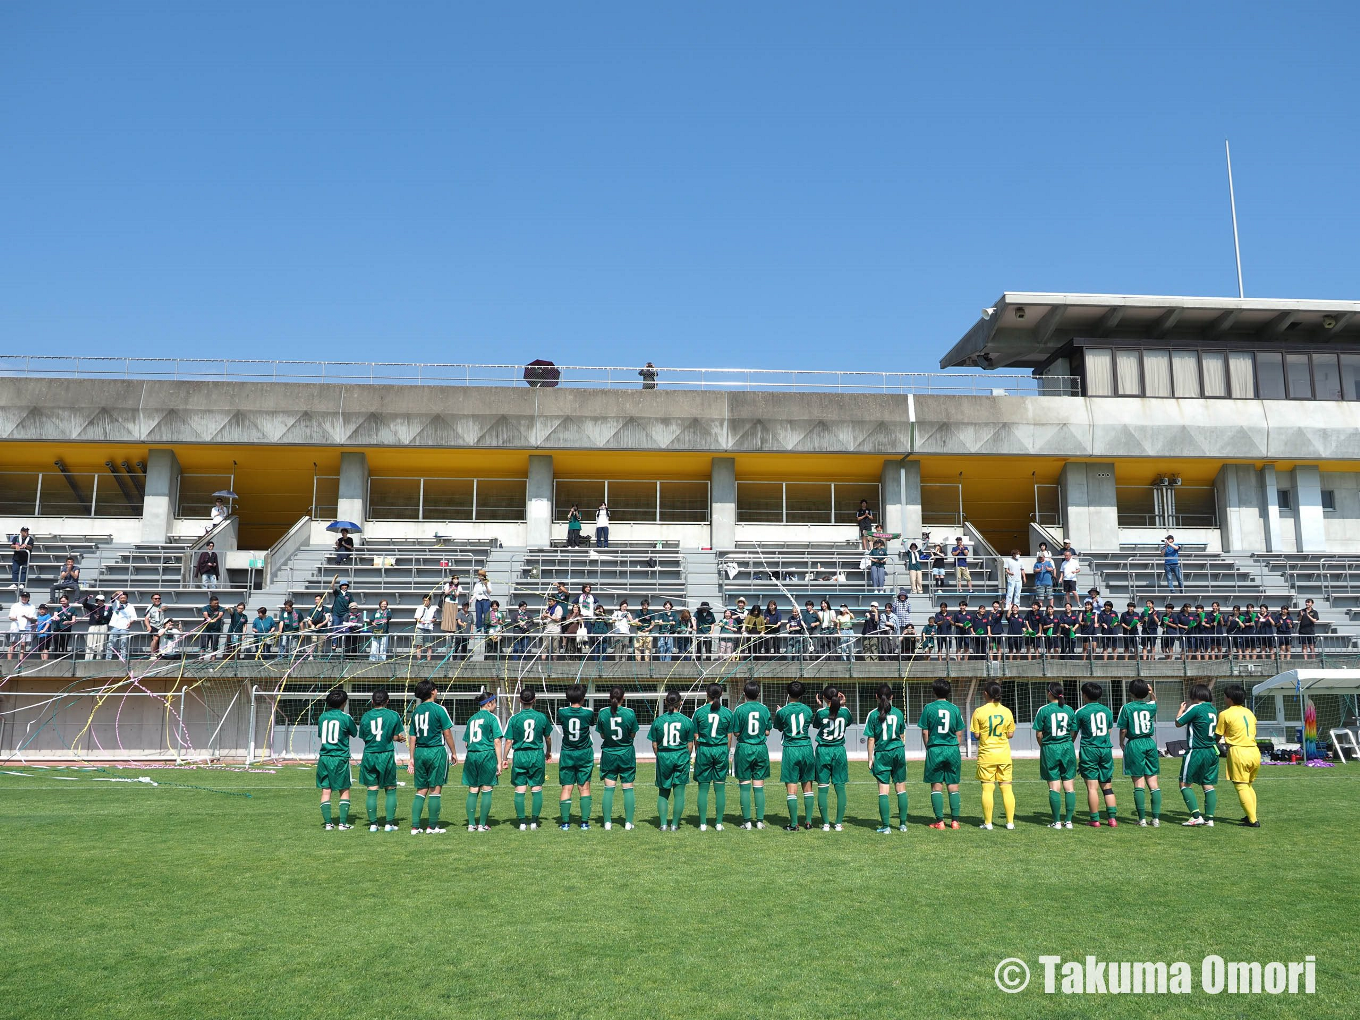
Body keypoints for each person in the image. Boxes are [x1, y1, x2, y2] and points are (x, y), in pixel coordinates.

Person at [408, 679, 457, 835]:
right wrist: (454, 752)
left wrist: (411, 757)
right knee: (435, 789)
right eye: (436, 689)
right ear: (432, 691)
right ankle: (432, 826)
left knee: (421, 789)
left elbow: (413, 736)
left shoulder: (416, 711)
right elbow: (447, 732)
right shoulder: (439, 709)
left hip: (420, 752)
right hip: (436, 751)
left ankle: (415, 826)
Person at [913, 678, 962, 829]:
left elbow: (924, 732)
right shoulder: (954, 709)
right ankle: (955, 821)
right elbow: (959, 733)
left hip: (935, 749)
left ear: (934, 692)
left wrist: (929, 747)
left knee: (936, 786)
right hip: (952, 749)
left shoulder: (929, 708)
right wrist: (954, 746)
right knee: (953, 785)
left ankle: (940, 822)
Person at [503, 689, 553, 830]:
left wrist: (504, 758)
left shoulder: (514, 718)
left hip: (520, 754)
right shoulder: (541, 717)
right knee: (536, 787)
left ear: (520, 701)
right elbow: (548, 737)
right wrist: (548, 751)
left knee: (520, 788)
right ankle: (534, 821)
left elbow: (508, 741)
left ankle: (522, 822)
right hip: (536, 754)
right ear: (534, 700)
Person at [970, 682, 1016, 830]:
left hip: (986, 755)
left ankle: (988, 823)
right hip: (1003, 754)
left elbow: (976, 734)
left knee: (987, 788)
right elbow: (1010, 734)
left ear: (985, 694)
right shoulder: (1007, 711)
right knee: (1006, 788)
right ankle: (1010, 823)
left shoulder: (979, 712)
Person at [358, 689, 405, 832]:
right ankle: (389, 824)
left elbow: (366, 737)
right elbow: (394, 735)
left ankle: (373, 824)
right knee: (390, 788)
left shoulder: (366, 716)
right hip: (386, 755)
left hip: (369, 755)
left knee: (372, 789)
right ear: (387, 701)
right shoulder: (393, 715)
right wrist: (398, 738)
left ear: (372, 701)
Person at [1116, 679, 1161, 827]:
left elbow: (1123, 729)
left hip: (1135, 744)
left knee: (1138, 783)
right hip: (1149, 742)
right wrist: (1152, 692)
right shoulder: (1150, 706)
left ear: (1131, 692)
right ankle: (1155, 819)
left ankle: (1142, 819)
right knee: (1153, 783)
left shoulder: (1127, 708)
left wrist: (1121, 743)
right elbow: (1154, 702)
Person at [863, 683, 908, 834]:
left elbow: (871, 739)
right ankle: (902, 824)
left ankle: (886, 826)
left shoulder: (873, 714)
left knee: (884, 790)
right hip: (898, 751)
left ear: (876, 697)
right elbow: (902, 735)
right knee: (900, 788)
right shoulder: (898, 713)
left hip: (882, 753)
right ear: (892, 697)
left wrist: (870, 758)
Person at [649, 690, 696, 831]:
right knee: (679, 793)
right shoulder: (687, 721)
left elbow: (654, 744)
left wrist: (660, 755)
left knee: (663, 792)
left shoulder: (658, 721)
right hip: (681, 756)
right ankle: (675, 825)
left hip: (664, 756)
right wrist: (685, 757)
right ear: (680, 703)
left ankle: (663, 824)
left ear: (665, 702)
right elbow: (690, 745)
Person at [692, 683, 736, 831]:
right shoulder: (727, 713)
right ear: (721, 694)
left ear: (707, 694)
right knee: (720, 789)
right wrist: (726, 751)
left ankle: (703, 824)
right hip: (721, 750)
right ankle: (718, 823)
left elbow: (696, 736)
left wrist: (699, 751)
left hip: (704, 749)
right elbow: (729, 737)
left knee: (703, 789)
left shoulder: (699, 713)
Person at [1033, 681, 1077, 829]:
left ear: (1050, 693)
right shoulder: (1069, 709)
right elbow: (1074, 731)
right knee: (1069, 785)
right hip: (1067, 748)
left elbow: (1039, 734)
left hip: (1050, 748)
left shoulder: (1043, 710)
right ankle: (1069, 821)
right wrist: (1068, 742)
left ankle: (1057, 821)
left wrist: (1044, 747)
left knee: (1053, 785)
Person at [594, 685, 639, 830]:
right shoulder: (630, 713)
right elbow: (633, 734)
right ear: (623, 697)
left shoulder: (602, 713)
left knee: (608, 789)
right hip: (626, 753)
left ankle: (607, 822)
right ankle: (628, 822)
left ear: (609, 697)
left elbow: (601, 734)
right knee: (628, 788)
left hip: (609, 754)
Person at [773, 680, 816, 831]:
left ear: (788, 693)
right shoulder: (808, 710)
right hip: (806, 748)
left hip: (791, 748)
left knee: (791, 786)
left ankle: (794, 824)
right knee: (808, 785)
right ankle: (809, 822)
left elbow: (778, 727)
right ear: (802, 694)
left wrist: (779, 712)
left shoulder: (783, 711)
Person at [1217, 684, 1261, 827]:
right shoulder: (1249, 713)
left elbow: (1217, 736)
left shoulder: (1225, 714)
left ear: (1229, 698)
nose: (1224, 698)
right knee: (1248, 785)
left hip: (1239, 752)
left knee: (1241, 786)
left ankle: (1253, 820)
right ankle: (1251, 815)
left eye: (1225, 695)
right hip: (1254, 751)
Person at [1074, 681, 1117, 827]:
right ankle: (1112, 819)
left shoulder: (1080, 712)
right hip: (1105, 749)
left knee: (1092, 787)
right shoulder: (1107, 711)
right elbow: (1109, 730)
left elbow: (1073, 733)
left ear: (1084, 695)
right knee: (1107, 786)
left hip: (1089, 749)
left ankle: (1095, 819)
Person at [1176, 684, 1219, 827]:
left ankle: (1196, 816)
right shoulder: (1213, 709)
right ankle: (1210, 819)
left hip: (1197, 751)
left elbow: (1178, 723)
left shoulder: (1195, 708)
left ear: (1195, 695)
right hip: (1212, 751)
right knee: (1208, 784)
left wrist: (1181, 710)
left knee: (1184, 783)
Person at [461, 690, 504, 832]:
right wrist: (499, 762)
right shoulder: (492, 718)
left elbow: (466, 743)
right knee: (487, 788)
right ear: (489, 703)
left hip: (472, 755)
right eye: (495, 703)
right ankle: (482, 824)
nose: (495, 706)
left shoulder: (471, 719)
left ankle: (471, 824)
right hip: (486, 755)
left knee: (473, 789)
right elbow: (497, 741)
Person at [316, 688, 358, 831]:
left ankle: (328, 824)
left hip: (324, 757)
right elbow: (354, 733)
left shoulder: (322, 717)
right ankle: (342, 823)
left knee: (326, 790)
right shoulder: (346, 718)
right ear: (344, 703)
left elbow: (321, 734)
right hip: (340, 757)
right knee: (344, 789)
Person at [556, 684, 596, 830]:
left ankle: (565, 823)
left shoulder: (562, 712)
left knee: (567, 788)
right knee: (584, 787)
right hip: (584, 753)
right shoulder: (588, 712)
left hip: (567, 753)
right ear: (583, 698)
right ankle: (584, 823)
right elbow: (590, 723)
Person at [811, 685, 851, 832]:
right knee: (840, 788)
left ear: (823, 698)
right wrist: (843, 704)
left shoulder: (821, 713)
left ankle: (826, 824)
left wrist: (821, 707)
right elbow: (846, 719)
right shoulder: (845, 711)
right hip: (839, 751)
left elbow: (818, 724)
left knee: (822, 788)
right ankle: (838, 824)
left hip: (823, 751)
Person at [733, 680, 771, 829]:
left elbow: (736, 731)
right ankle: (760, 822)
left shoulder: (740, 709)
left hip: (744, 748)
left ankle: (747, 822)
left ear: (744, 694)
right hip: (760, 748)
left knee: (744, 785)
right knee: (759, 785)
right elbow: (767, 730)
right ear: (759, 694)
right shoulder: (764, 709)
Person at [7, 589, 36, 660]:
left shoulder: (32, 606)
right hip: (15, 627)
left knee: (23, 645)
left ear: (28, 598)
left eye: (26, 597)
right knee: (13, 644)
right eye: (23, 596)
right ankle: (9, 661)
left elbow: (33, 619)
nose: (24, 598)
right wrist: (15, 618)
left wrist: (26, 617)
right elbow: (10, 617)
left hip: (26, 628)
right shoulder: (15, 605)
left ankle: (20, 661)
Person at [413, 595, 438, 661]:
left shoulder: (433, 608)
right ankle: (418, 659)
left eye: (426, 600)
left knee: (429, 645)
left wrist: (431, 620)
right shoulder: (420, 607)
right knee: (418, 645)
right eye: (424, 600)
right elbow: (416, 617)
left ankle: (428, 660)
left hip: (428, 628)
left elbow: (435, 618)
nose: (425, 602)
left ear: (429, 601)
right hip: (420, 627)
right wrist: (420, 621)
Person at [471, 569, 492, 634]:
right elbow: (475, 593)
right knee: (478, 615)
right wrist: (472, 599)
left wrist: (485, 585)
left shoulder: (488, 582)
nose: (479, 577)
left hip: (485, 600)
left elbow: (489, 591)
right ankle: (479, 629)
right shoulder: (477, 583)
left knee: (486, 616)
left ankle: (486, 630)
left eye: (480, 575)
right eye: (479, 575)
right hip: (478, 600)